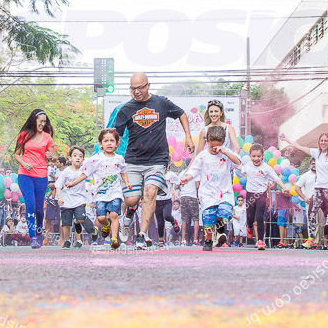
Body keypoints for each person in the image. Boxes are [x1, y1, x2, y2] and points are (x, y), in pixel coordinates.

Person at [113, 72, 194, 249]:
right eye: (133, 89)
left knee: (150, 193)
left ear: (148, 85)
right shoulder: (125, 109)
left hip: (157, 160)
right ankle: (128, 215)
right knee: (132, 200)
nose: (136, 92)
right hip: (133, 161)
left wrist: (187, 136)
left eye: (140, 88)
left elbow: (181, 113)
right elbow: (115, 136)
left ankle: (141, 235)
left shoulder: (161, 102)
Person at [180, 125, 242, 251]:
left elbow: (238, 162)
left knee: (225, 213)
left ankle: (219, 232)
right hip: (207, 193)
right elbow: (195, 170)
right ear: (206, 142)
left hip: (224, 192)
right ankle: (208, 240)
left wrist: (225, 151)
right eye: (211, 146)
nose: (214, 149)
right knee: (208, 218)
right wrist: (187, 177)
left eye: (217, 146)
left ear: (222, 143)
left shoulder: (226, 154)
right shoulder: (202, 156)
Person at [283, 133, 328, 250]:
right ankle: (311, 239)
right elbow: (300, 147)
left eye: (326, 141)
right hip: (318, 189)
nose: (323, 143)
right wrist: (287, 139)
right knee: (311, 213)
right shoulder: (317, 153)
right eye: (321, 140)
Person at [13, 109, 56, 249]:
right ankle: (32, 237)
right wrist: (24, 163)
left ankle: (39, 231)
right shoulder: (24, 135)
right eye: (40, 121)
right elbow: (16, 154)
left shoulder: (47, 137)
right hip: (25, 174)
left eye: (45, 122)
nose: (42, 124)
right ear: (34, 120)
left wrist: (51, 157)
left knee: (39, 209)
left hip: (41, 175)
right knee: (30, 205)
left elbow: (53, 158)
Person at [81, 129, 129, 250]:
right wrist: (73, 182)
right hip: (100, 194)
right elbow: (85, 173)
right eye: (106, 141)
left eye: (112, 141)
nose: (109, 143)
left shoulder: (119, 158)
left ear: (117, 143)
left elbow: (123, 172)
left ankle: (114, 239)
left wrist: (127, 183)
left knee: (114, 215)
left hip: (115, 192)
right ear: (100, 144)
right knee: (101, 218)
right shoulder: (96, 159)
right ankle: (106, 225)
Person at [55, 146, 90, 249]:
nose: (77, 158)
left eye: (80, 156)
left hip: (80, 200)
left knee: (80, 219)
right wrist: (59, 198)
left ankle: (78, 240)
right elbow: (58, 185)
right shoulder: (66, 172)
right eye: (75, 156)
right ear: (70, 158)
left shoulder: (84, 171)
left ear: (83, 159)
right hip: (67, 201)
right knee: (66, 223)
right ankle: (67, 241)